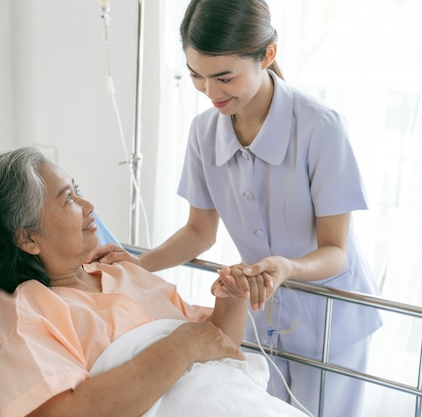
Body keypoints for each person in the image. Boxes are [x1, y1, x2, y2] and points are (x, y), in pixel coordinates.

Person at [90, 1, 383, 416]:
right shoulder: (203, 132)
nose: (211, 93)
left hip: (333, 322)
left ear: (268, 55)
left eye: (224, 77)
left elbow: (336, 250)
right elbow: (199, 232)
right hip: (263, 317)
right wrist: (139, 265)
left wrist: (287, 267)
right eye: (197, 76)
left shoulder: (321, 128)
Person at [0, 147, 310, 417]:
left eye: (77, 190)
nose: (88, 205)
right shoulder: (24, 313)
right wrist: (180, 346)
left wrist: (232, 299)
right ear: (27, 239)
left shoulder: (122, 272)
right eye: (67, 199)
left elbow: (217, 351)